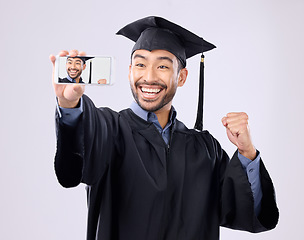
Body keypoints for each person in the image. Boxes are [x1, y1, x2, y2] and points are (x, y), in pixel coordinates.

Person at [50, 16, 279, 240]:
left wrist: (247, 152)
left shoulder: (205, 150)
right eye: (140, 64)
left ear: (181, 77)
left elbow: (247, 213)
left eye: (162, 66)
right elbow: (71, 169)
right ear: (130, 72)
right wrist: (70, 106)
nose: (148, 77)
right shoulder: (109, 130)